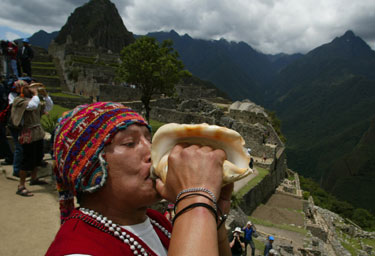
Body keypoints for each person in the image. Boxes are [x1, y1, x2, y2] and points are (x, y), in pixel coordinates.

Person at [46, 102, 233, 255]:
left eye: (149, 140)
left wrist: (212, 218)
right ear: (91, 170)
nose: (152, 152)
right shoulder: (80, 250)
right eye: (130, 143)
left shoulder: (157, 221)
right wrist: (196, 199)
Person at [11, 82, 53, 196]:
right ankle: (21, 185)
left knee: (37, 157)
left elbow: (49, 106)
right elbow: (32, 106)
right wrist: (35, 94)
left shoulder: (34, 100)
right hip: (27, 133)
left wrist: (45, 96)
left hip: (37, 132)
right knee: (27, 160)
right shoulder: (19, 101)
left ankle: (34, 178)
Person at [8, 79, 29, 176]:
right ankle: (16, 170)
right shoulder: (13, 97)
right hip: (15, 126)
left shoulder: (26, 97)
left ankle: (23, 168)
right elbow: (29, 106)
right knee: (19, 148)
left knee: (24, 148)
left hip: (23, 125)